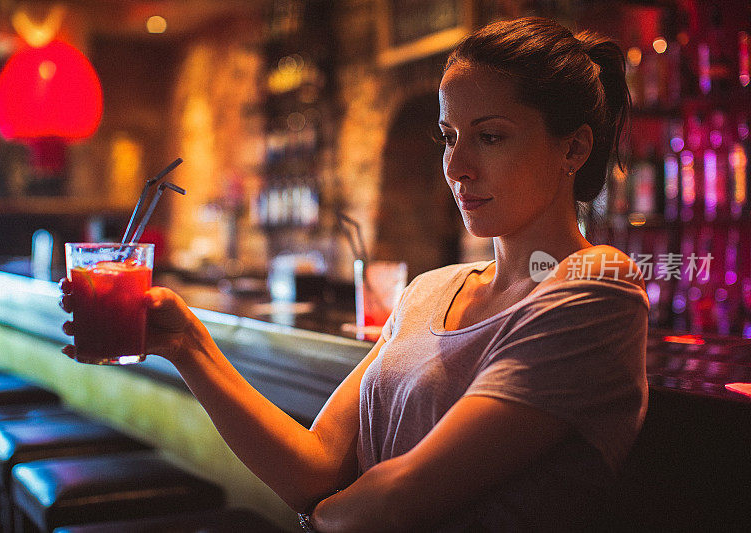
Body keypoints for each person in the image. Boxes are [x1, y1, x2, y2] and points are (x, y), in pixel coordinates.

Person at [60, 16, 649, 532]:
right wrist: (188, 345)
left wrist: (319, 520)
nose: (457, 166)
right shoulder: (430, 289)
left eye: (490, 137)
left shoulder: (596, 289)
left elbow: (397, 502)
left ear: (573, 150)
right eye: (448, 137)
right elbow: (314, 465)